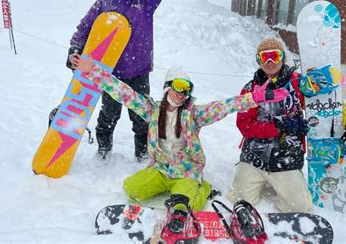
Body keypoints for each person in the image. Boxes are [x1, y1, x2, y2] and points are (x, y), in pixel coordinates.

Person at [71, 54, 289, 216]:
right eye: (178, 87)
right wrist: (93, 71)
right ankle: (174, 189)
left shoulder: (194, 114)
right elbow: (123, 93)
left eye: (186, 89)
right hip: (161, 169)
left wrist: (255, 98)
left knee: (187, 205)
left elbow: (225, 106)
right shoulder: (152, 110)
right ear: (167, 88)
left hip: (186, 170)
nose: (182, 93)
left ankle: (201, 187)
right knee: (131, 189)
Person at [66, 0, 182, 162]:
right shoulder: (103, 5)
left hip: (139, 71)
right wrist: (75, 48)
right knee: (109, 114)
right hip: (110, 73)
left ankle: (142, 150)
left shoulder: (146, 3)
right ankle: (103, 148)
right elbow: (84, 28)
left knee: (141, 115)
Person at [227, 36, 346, 213]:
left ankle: (280, 181)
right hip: (254, 157)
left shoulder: (299, 84)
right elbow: (244, 125)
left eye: (274, 56)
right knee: (239, 199)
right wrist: (279, 127)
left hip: (287, 158)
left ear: (282, 57)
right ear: (258, 60)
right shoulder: (251, 89)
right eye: (264, 57)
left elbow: (328, 104)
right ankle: (266, 181)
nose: (269, 62)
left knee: (299, 208)